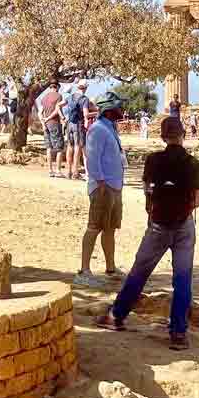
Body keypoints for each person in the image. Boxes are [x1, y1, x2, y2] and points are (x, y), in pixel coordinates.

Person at [96, 117, 199, 350]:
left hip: (158, 224)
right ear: (183, 135)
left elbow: (148, 190)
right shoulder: (193, 164)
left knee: (139, 272)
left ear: (163, 136)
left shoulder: (153, 160)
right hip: (184, 224)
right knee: (183, 280)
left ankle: (117, 316)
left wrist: (153, 205)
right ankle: (178, 333)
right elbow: (197, 200)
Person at [75, 92, 128, 287]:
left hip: (114, 186)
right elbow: (92, 158)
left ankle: (110, 268)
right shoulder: (98, 129)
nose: (122, 110)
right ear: (110, 110)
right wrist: (101, 182)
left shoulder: (110, 128)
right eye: (118, 107)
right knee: (95, 226)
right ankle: (84, 270)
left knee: (110, 228)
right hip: (103, 187)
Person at [65, 80, 92, 180]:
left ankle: (68, 171)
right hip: (78, 124)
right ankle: (75, 172)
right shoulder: (84, 99)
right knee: (78, 147)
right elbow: (85, 114)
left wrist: (63, 117)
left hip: (69, 124)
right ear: (85, 88)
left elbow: (59, 105)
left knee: (69, 147)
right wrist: (95, 113)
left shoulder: (70, 96)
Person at [38, 82, 65, 178]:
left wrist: (43, 122)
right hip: (54, 123)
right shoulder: (59, 96)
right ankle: (58, 171)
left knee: (49, 148)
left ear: (50, 87)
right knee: (59, 148)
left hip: (46, 125)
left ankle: (50, 170)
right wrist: (49, 118)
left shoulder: (44, 97)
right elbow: (57, 110)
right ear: (57, 87)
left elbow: (40, 112)